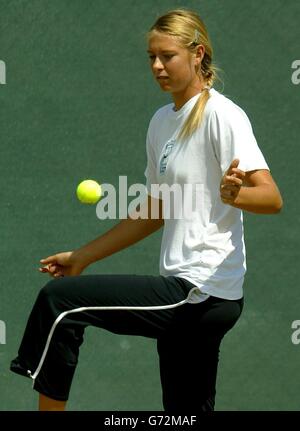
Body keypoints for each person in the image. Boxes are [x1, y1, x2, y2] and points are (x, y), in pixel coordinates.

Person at [10, 8, 283, 412]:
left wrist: (235, 195)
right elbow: (155, 211)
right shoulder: (161, 123)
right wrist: (82, 256)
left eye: (168, 56)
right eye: (151, 57)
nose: (157, 66)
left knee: (61, 303)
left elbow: (271, 197)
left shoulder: (221, 115)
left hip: (201, 291)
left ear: (197, 54)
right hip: (187, 292)